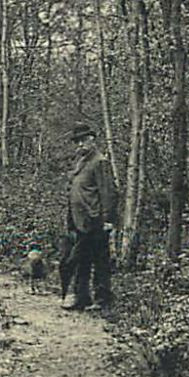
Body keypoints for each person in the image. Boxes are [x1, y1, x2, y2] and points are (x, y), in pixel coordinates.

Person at [61, 121, 118, 311]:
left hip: (96, 220)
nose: (80, 145)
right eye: (77, 141)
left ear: (92, 139)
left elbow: (108, 192)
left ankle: (103, 299)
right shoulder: (81, 162)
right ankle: (82, 297)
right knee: (81, 260)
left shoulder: (100, 162)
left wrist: (108, 220)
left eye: (83, 140)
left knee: (100, 260)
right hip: (81, 221)